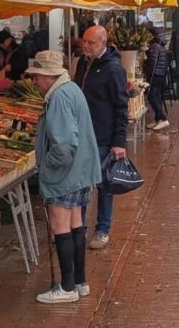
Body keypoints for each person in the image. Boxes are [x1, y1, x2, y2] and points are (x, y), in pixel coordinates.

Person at [27, 51, 102, 305]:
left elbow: (63, 145)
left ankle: (67, 286)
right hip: (81, 170)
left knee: (61, 226)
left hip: (65, 173)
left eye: (36, 76)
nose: (34, 81)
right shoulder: (71, 89)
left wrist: (46, 168)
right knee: (75, 224)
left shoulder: (58, 98)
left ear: (48, 75)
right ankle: (80, 282)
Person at [73, 25, 129, 250]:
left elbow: (121, 106)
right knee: (82, 183)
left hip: (103, 136)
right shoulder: (82, 64)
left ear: (103, 44)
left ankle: (102, 229)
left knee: (105, 184)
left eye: (91, 43)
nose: (86, 46)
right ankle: (80, 227)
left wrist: (119, 141)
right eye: (84, 41)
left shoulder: (114, 69)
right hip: (82, 136)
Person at [144, 25, 169, 131]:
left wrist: (148, 73)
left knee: (152, 95)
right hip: (160, 73)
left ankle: (162, 118)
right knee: (156, 95)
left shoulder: (154, 46)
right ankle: (158, 118)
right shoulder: (159, 45)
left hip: (155, 74)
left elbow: (152, 63)